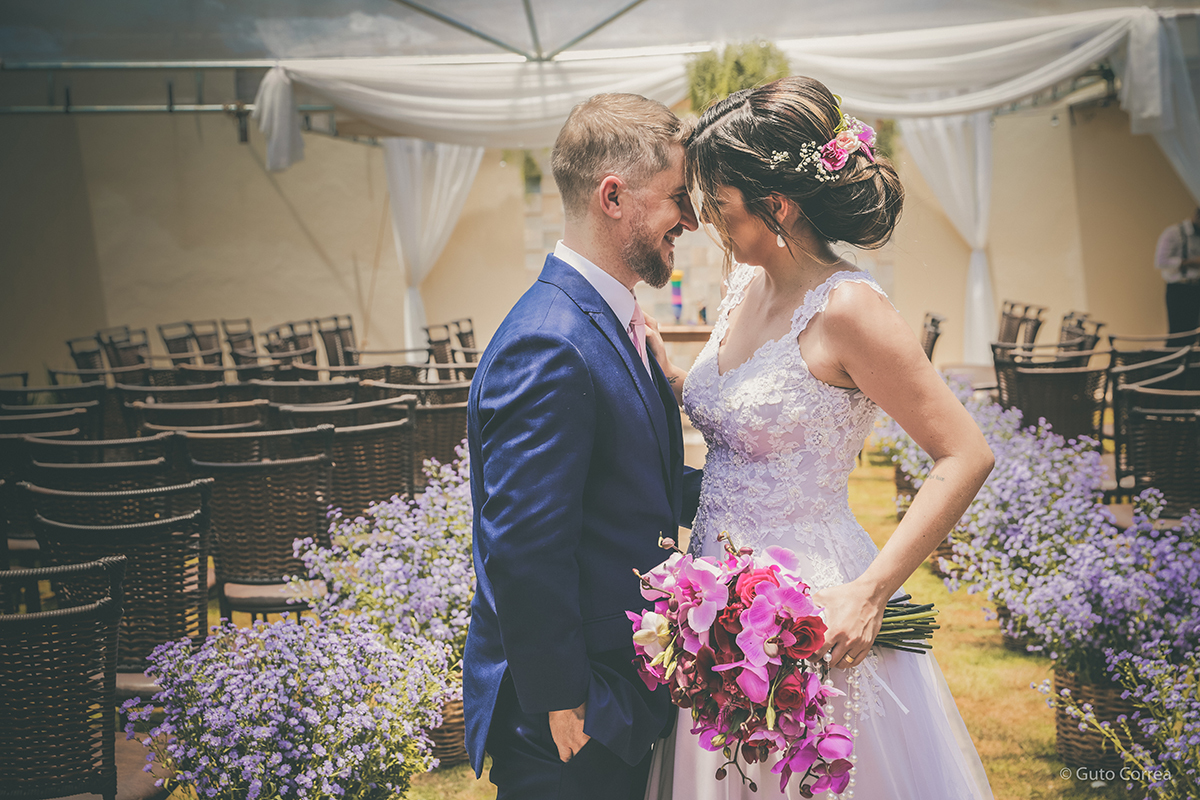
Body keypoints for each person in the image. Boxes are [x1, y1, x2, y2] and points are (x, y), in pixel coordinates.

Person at [646, 77, 996, 799]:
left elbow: (966, 453)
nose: (706, 218)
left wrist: (871, 592)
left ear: (777, 205)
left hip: (811, 611)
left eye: (718, 201)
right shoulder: (744, 286)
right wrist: (666, 373)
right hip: (716, 605)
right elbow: (744, 412)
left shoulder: (849, 310)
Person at [462, 93, 704, 800]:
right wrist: (564, 697)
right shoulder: (550, 341)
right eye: (678, 197)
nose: (690, 220)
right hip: (570, 715)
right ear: (613, 197)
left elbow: (636, 485)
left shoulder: (604, 318)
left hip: (615, 689)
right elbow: (523, 543)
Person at [1154, 206, 1200, 334]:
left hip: (1196, 287)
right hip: (1179, 288)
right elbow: (1161, 262)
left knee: (1193, 332)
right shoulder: (1174, 233)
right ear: (1197, 216)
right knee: (1178, 332)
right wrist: (1190, 262)